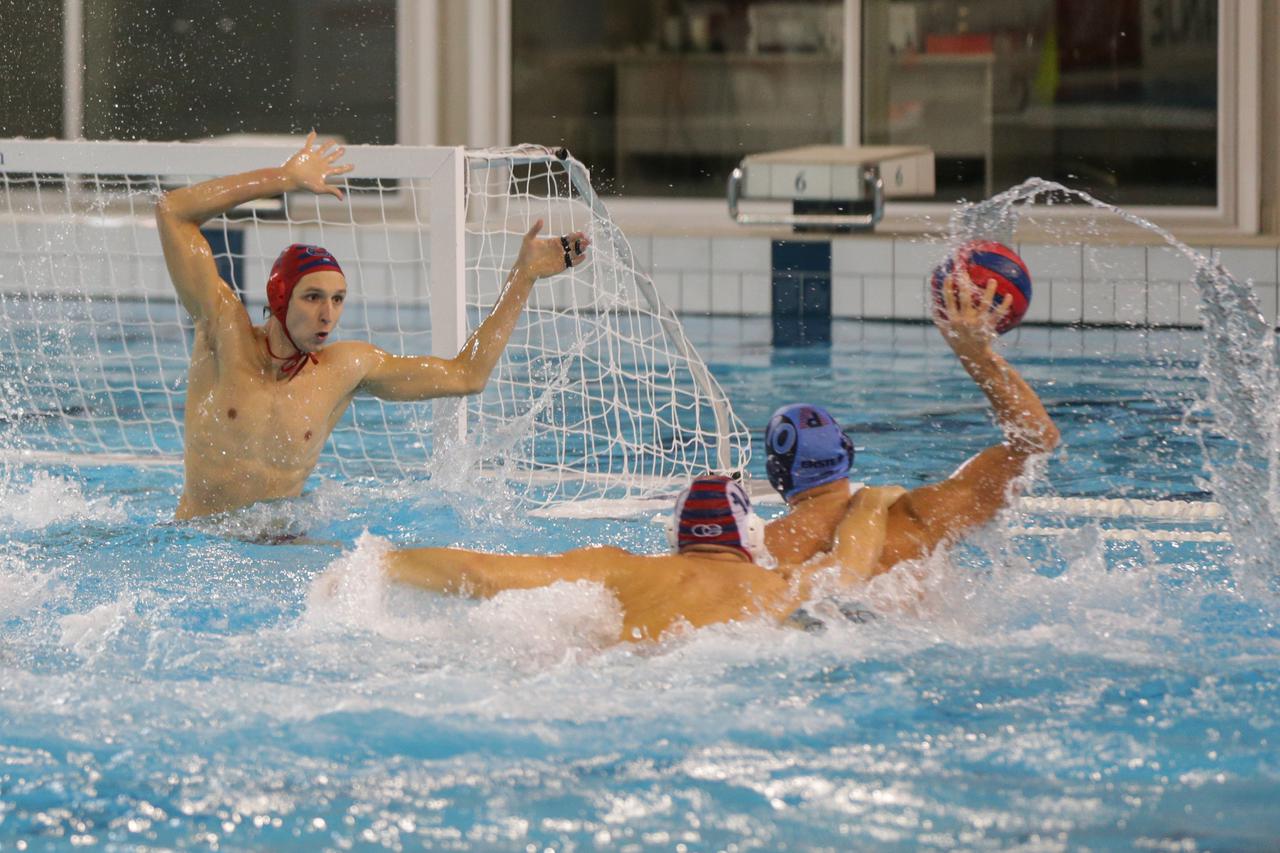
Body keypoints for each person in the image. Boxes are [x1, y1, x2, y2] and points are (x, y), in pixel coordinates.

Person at [155, 132, 589, 519]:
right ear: (279, 298)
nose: (328, 314)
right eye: (313, 297)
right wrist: (284, 178)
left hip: (279, 545)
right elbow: (172, 212)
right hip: (198, 541)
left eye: (338, 299)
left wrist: (524, 276)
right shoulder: (223, 331)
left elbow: (466, 375)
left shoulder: (345, 369)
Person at [763, 274, 1061, 573]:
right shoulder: (920, 517)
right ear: (848, 453)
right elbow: (1036, 441)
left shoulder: (763, 550)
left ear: (777, 474)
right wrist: (977, 356)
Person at [382, 475, 906, 643]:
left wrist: (380, 563)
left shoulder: (621, 568)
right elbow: (852, 563)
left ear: (676, 537)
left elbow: (479, 573)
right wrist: (870, 502)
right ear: (750, 536)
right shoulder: (785, 585)